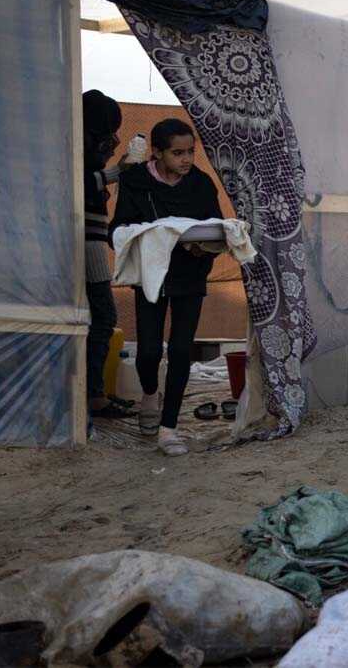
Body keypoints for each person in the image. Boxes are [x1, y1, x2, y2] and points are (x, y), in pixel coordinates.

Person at [110, 118, 223, 455]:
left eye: (190, 152)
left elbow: (217, 227)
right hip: (151, 275)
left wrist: (203, 246)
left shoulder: (201, 184)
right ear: (157, 153)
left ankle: (169, 429)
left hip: (191, 274)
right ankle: (149, 395)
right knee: (148, 350)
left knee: (180, 350)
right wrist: (149, 238)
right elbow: (119, 229)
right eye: (177, 153)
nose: (186, 159)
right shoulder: (136, 181)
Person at [81, 90, 135, 423]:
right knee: (103, 317)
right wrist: (117, 172)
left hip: (91, 243)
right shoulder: (75, 157)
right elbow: (77, 185)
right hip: (87, 246)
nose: (112, 141)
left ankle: (93, 391)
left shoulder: (85, 156)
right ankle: (94, 396)